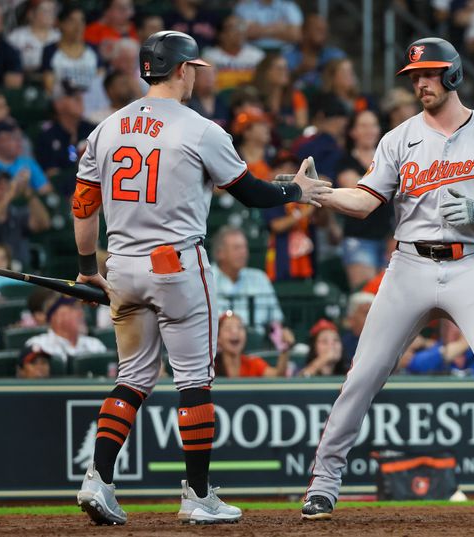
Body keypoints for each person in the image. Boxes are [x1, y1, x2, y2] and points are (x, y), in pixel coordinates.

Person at [298, 37, 474, 520]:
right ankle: (323, 484)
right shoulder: (398, 138)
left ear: (453, 75)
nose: (420, 83)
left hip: (472, 262)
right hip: (409, 263)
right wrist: (321, 195)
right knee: (363, 375)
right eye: (415, 76)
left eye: (429, 74)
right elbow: (368, 199)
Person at [71, 30, 330, 525]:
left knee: (132, 378)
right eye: (195, 69)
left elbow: (84, 206)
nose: (197, 76)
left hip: (121, 266)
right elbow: (252, 194)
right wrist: (295, 190)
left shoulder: (106, 129)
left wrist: (88, 268)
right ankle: (198, 494)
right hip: (176, 266)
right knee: (193, 380)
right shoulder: (200, 129)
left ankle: (98, 480)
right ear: (183, 70)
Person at [336, 109, 394, 289]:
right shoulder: (345, 161)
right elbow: (359, 191)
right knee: (365, 295)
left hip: (389, 238)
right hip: (359, 238)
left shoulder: (389, 159)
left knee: (391, 297)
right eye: (363, 125)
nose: (370, 130)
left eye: (373, 125)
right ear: (353, 132)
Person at [211, 226, 284, 333]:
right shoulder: (205, 278)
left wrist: (281, 333)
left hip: (257, 345)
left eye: (245, 247)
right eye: (237, 248)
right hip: (217, 345)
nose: (243, 253)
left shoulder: (259, 278)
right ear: (220, 253)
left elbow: (276, 320)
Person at [0, 169, 50, 267]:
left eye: (6, 184)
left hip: (19, 274)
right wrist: (8, 195)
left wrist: (28, 192)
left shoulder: (17, 213)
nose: (3, 187)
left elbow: (43, 224)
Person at [36, 80, 97, 185]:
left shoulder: (94, 130)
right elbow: (52, 176)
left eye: (80, 95)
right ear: (58, 104)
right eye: (73, 96)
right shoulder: (48, 136)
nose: (80, 99)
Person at [24, 295, 106, 364]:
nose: (81, 313)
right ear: (55, 316)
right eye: (75, 307)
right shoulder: (38, 345)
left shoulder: (95, 345)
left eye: (81, 308)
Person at [41, 4, 100, 99]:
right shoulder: (50, 51)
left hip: (92, 104)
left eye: (82, 21)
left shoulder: (94, 49)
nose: (78, 26)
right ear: (60, 24)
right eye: (72, 21)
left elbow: (99, 83)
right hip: (62, 102)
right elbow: (49, 87)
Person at [0, 120, 52, 194]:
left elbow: (47, 193)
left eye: (19, 137)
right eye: (11, 138)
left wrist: (26, 189)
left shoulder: (28, 162)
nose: (19, 142)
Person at [214, 310, 292, 377]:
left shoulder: (253, 364)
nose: (235, 332)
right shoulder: (210, 368)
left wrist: (284, 348)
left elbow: (278, 375)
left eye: (240, 327)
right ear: (218, 338)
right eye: (228, 329)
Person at [7, 0, 59, 75]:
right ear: (30, 14)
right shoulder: (16, 36)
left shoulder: (59, 36)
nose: (51, 14)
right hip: (25, 80)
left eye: (53, 11)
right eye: (46, 11)